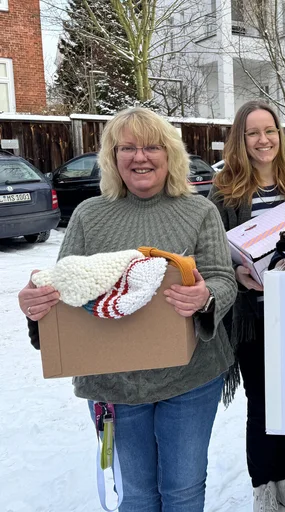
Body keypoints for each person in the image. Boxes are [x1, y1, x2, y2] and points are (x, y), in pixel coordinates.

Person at [17, 107, 237, 512]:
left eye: (152, 146)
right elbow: (62, 286)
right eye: (128, 147)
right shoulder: (88, 215)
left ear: (170, 154)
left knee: (184, 491)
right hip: (114, 385)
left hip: (190, 378)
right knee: (136, 496)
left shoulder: (199, 211)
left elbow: (223, 279)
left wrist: (206, 297)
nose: (141, 157)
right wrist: (37, 304)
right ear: (112, 157)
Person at [208, 101, 285, 512]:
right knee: (262, 402)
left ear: (280, 134)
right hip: (251, 314)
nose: (262, 140)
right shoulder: (224, 189)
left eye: (269, 130)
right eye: (252, 132)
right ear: (240, 138)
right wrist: (234, 275)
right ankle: (263, 489)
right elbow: (211, 250)